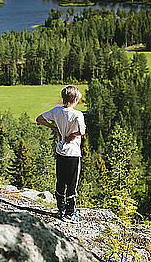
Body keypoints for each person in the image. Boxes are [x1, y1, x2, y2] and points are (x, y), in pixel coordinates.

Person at [36, 85, 86, 222]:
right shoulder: (77, 114)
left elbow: (39, 119)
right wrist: (74, 134)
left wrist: (55, 128)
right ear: (75, 99)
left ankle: (61, 209)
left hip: (60, 151)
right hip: (73, 153)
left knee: (61, 181)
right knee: (72, 183)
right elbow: (82, 131)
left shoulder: (56, 111)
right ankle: (70, 213)